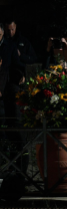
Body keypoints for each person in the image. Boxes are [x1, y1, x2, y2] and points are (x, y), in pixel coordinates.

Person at [0, 21, 27, 173]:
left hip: (8, 93)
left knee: (13, 130)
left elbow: (17, 66)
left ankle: (16, 169)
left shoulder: (9, 46)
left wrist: (19, 78)